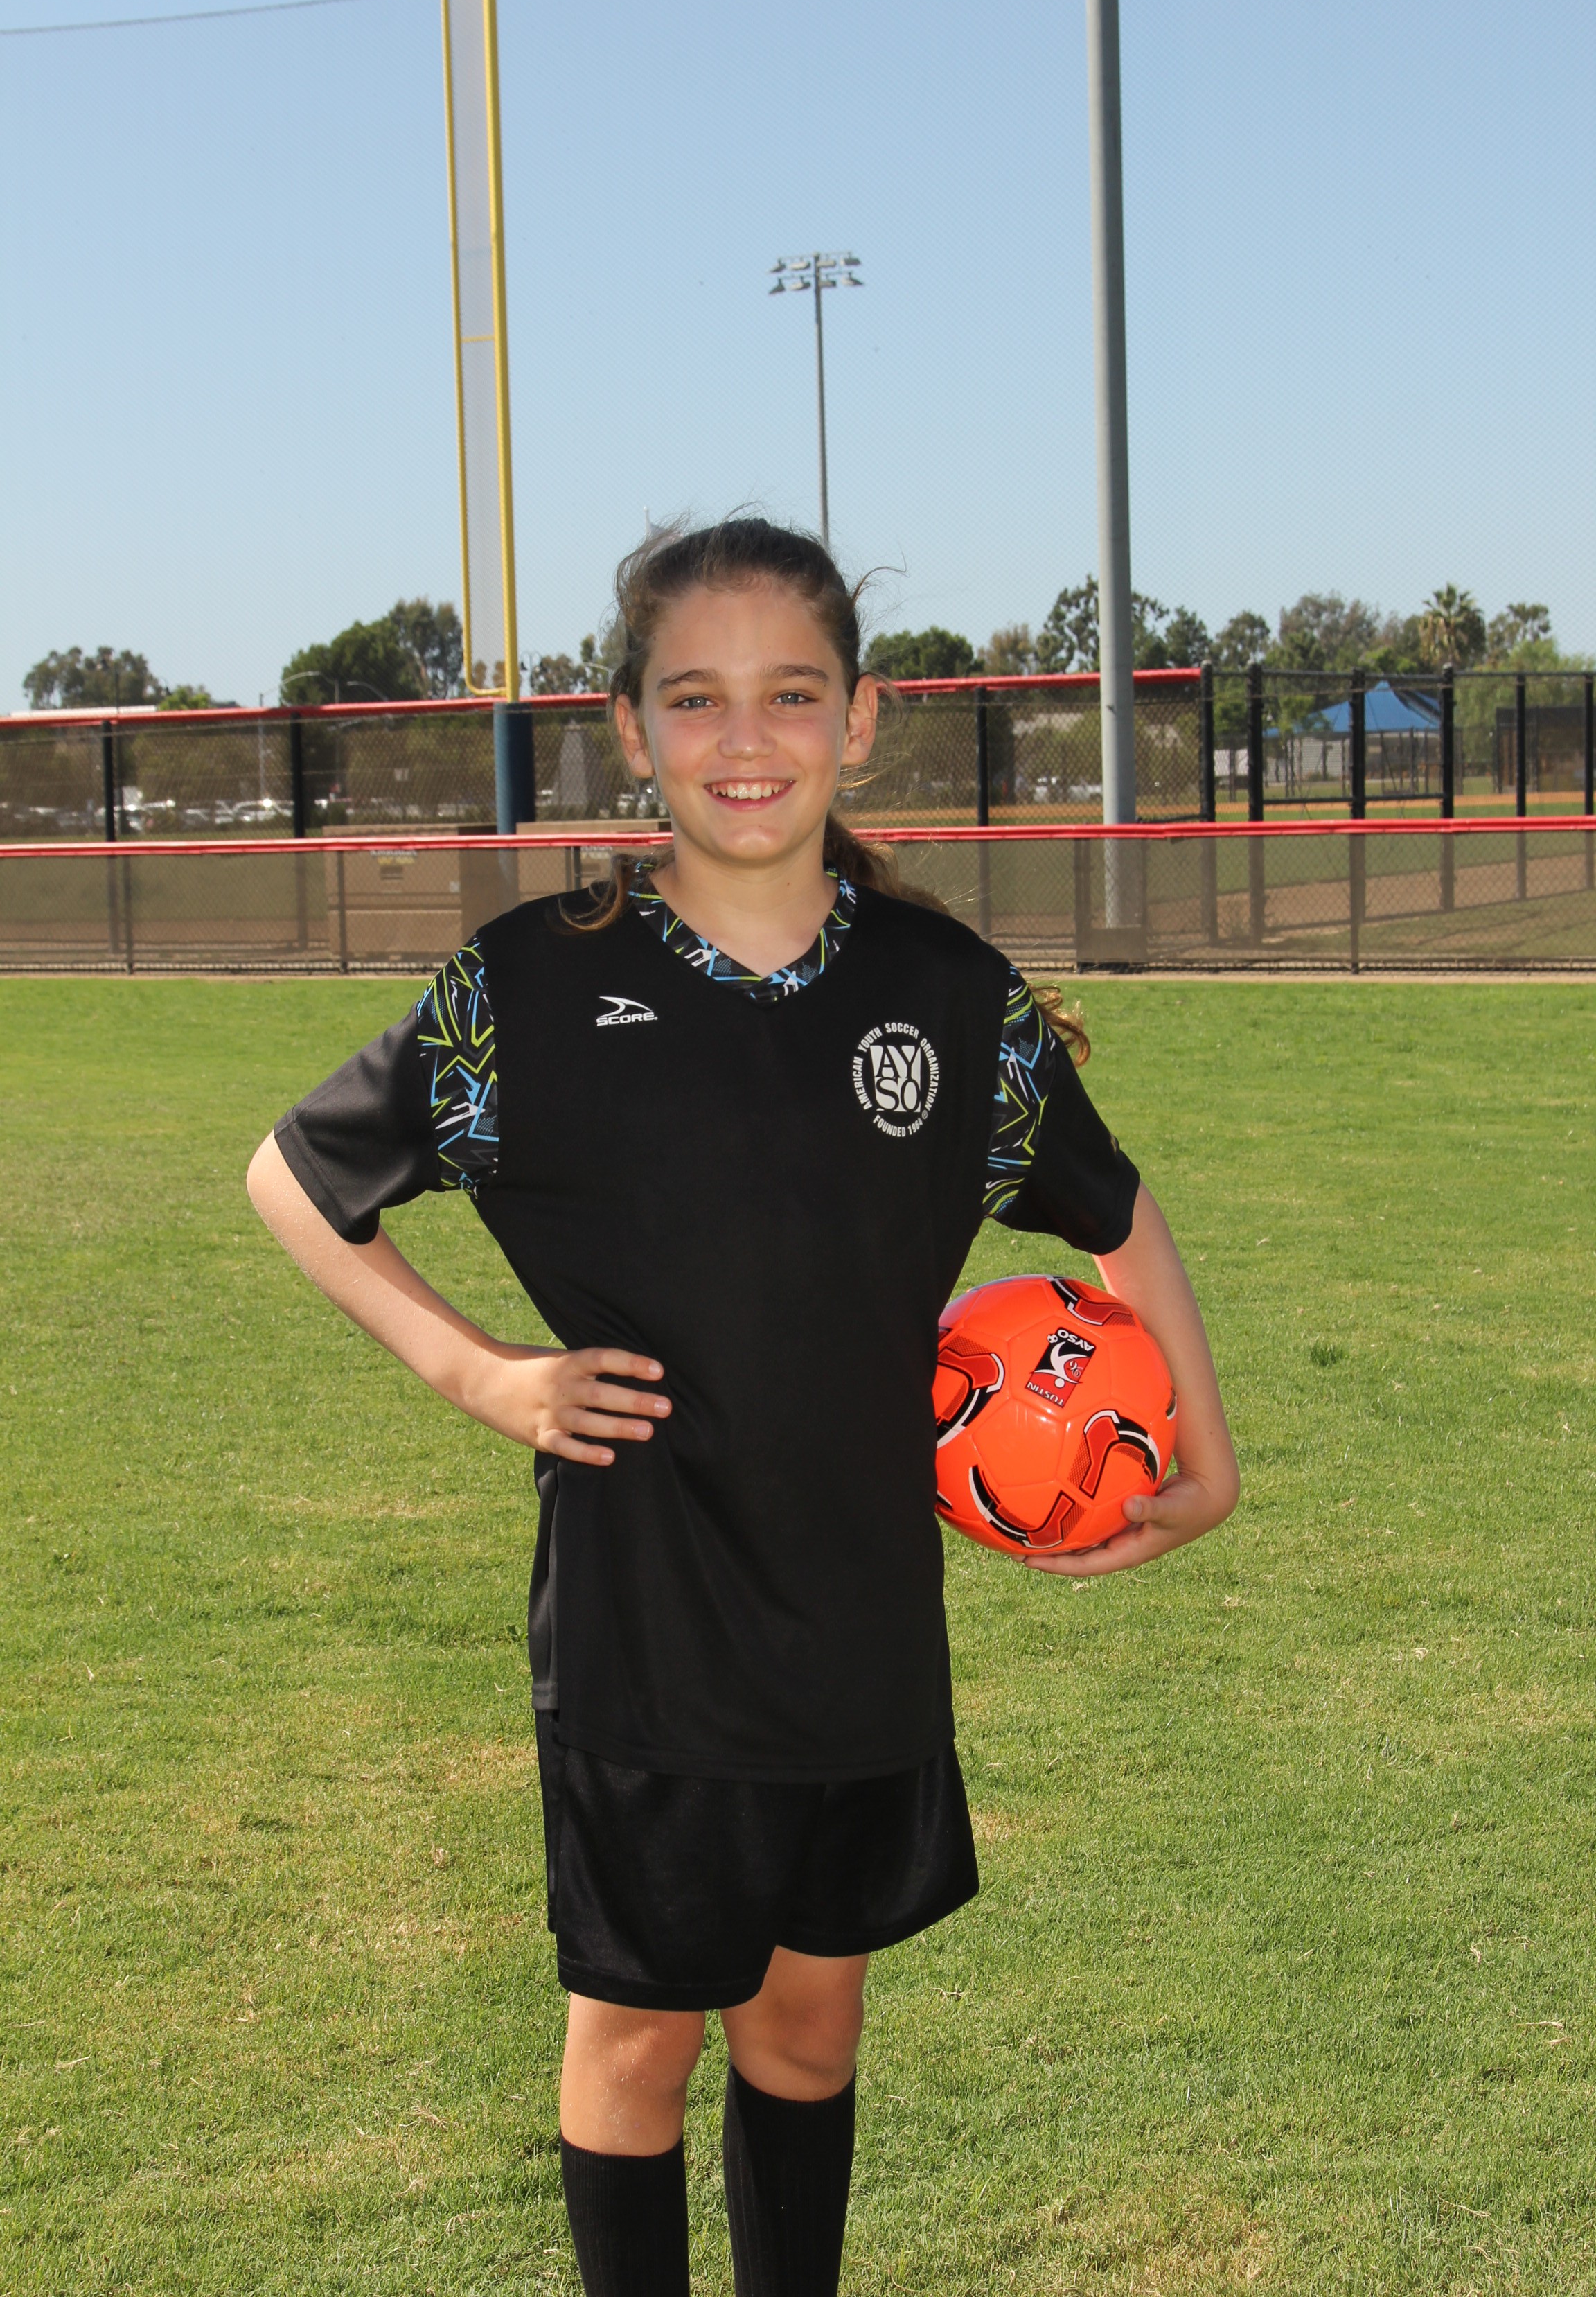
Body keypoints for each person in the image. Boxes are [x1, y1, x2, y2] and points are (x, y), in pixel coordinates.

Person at [247, 518, 1239, 2297]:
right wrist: (482, 1372)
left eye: (791, 693)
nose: (746, 737)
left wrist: (1208, 1454)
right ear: (631, 730)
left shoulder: (946, 999)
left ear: (860, 720)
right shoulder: (530, 988)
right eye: (695, 698)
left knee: (807, 2028)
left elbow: (1114, 1207)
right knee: (637, 2041)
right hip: (651, 1624)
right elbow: (295, 1180)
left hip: (860, 1620)